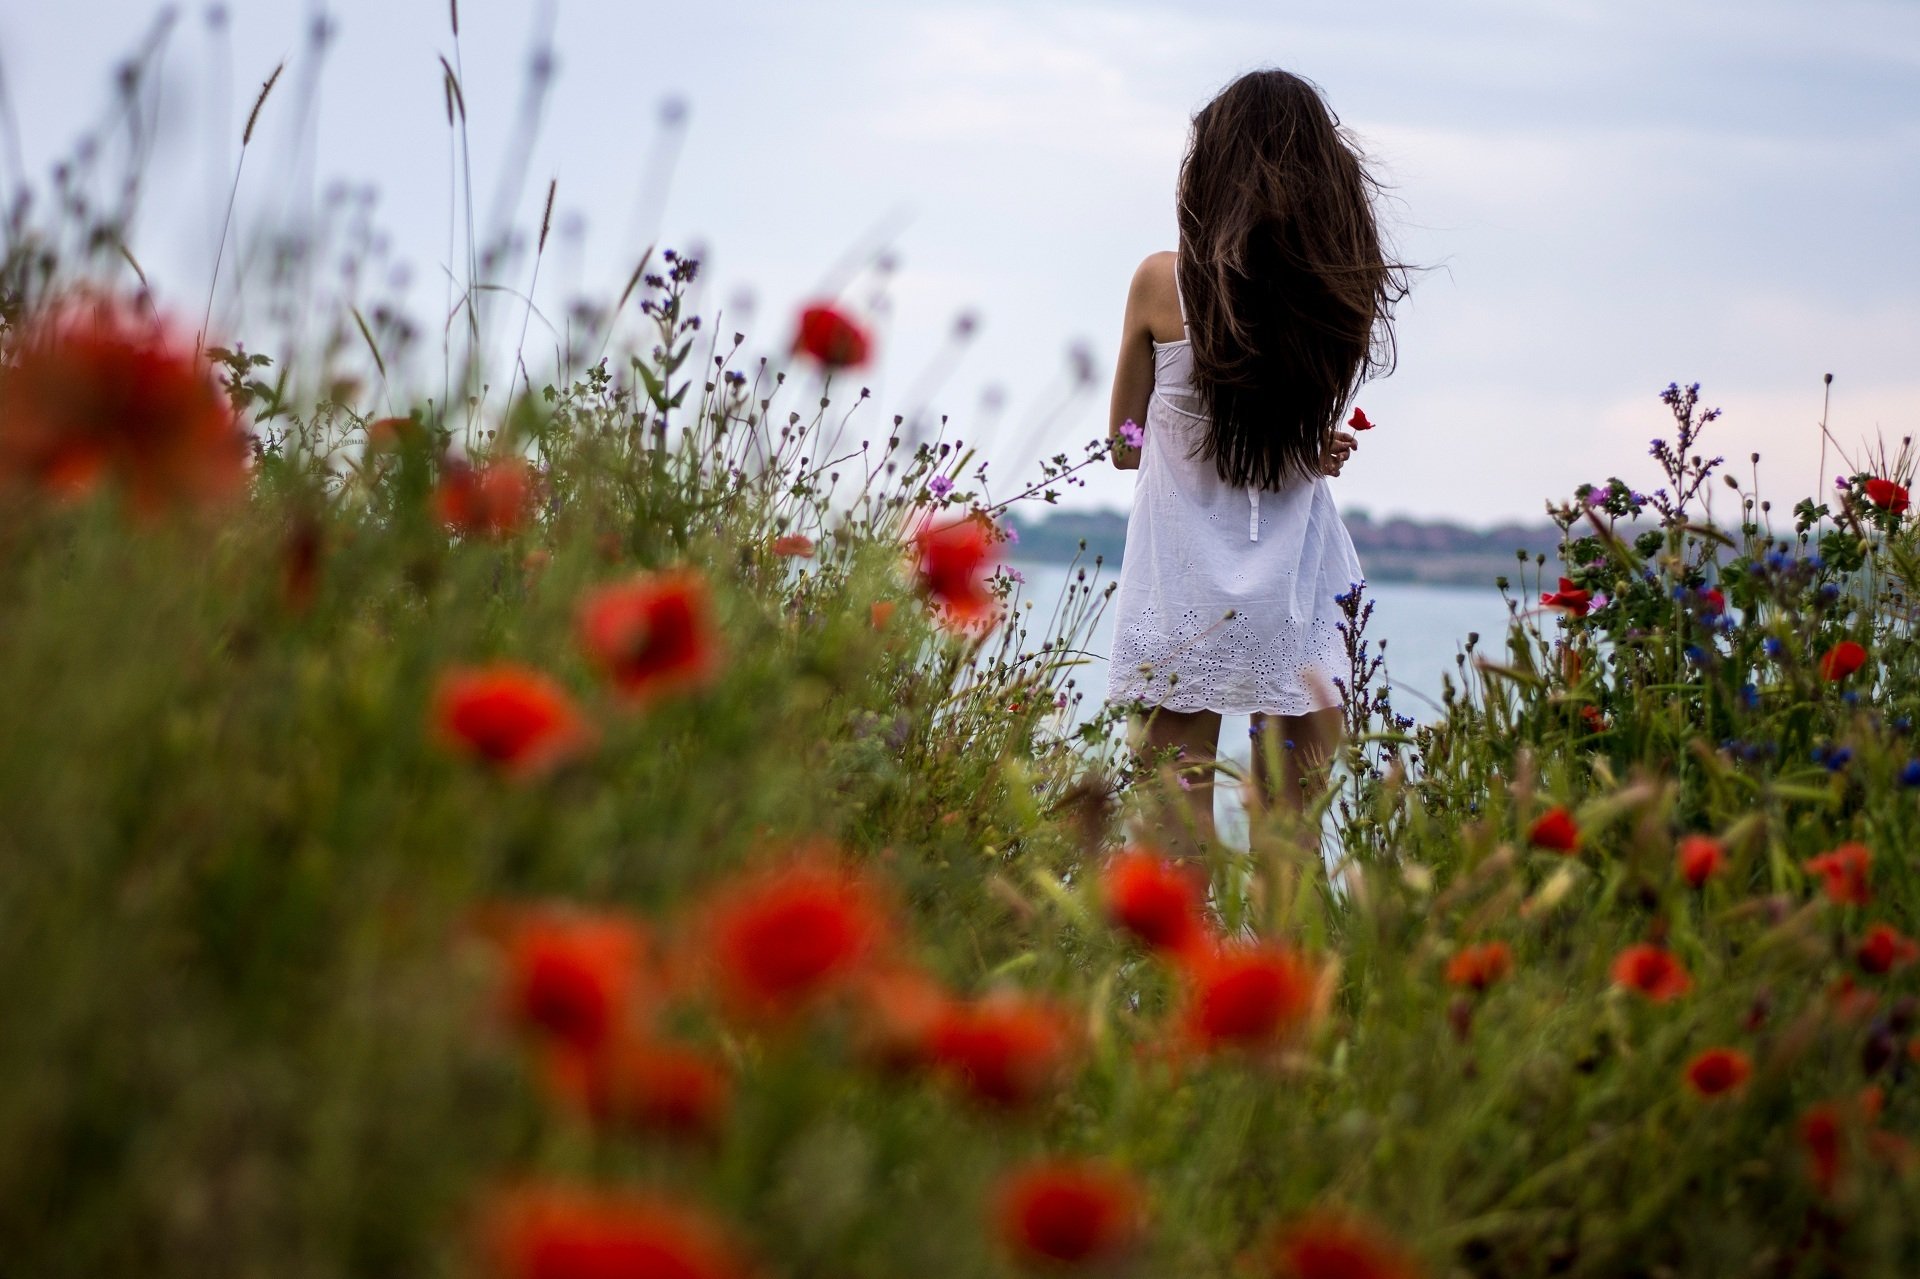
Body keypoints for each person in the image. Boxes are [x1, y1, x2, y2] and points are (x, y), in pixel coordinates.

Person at [1104, 68, 1406, 849]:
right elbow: (1277, 435)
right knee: (1290, 839)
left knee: (1175, 833)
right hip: (1300, 588)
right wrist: (1311, 449)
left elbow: (1121, 447)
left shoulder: (1159, 283)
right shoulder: (1332, 295)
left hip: (1181, 589)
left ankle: (1185, 976)